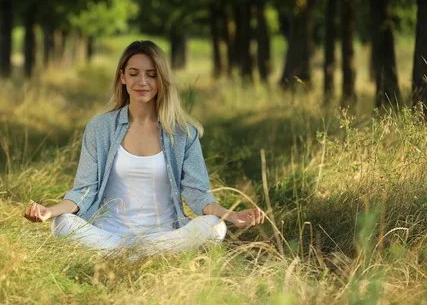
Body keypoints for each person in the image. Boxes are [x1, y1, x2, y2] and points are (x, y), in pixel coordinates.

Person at [24, 40, 265, 254]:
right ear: (122, 77)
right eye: (134, 73)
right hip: (109, 234)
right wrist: (50, 211)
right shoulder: (100, 127)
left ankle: (138, 252)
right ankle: (131, 253)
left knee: (215, 227)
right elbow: (84, 191)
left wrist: (232, 216)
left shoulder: (182, 133)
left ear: (161, 80)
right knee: (62, 224)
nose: (142, 82)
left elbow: (198, 194)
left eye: (151, 74)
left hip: (163, 235)